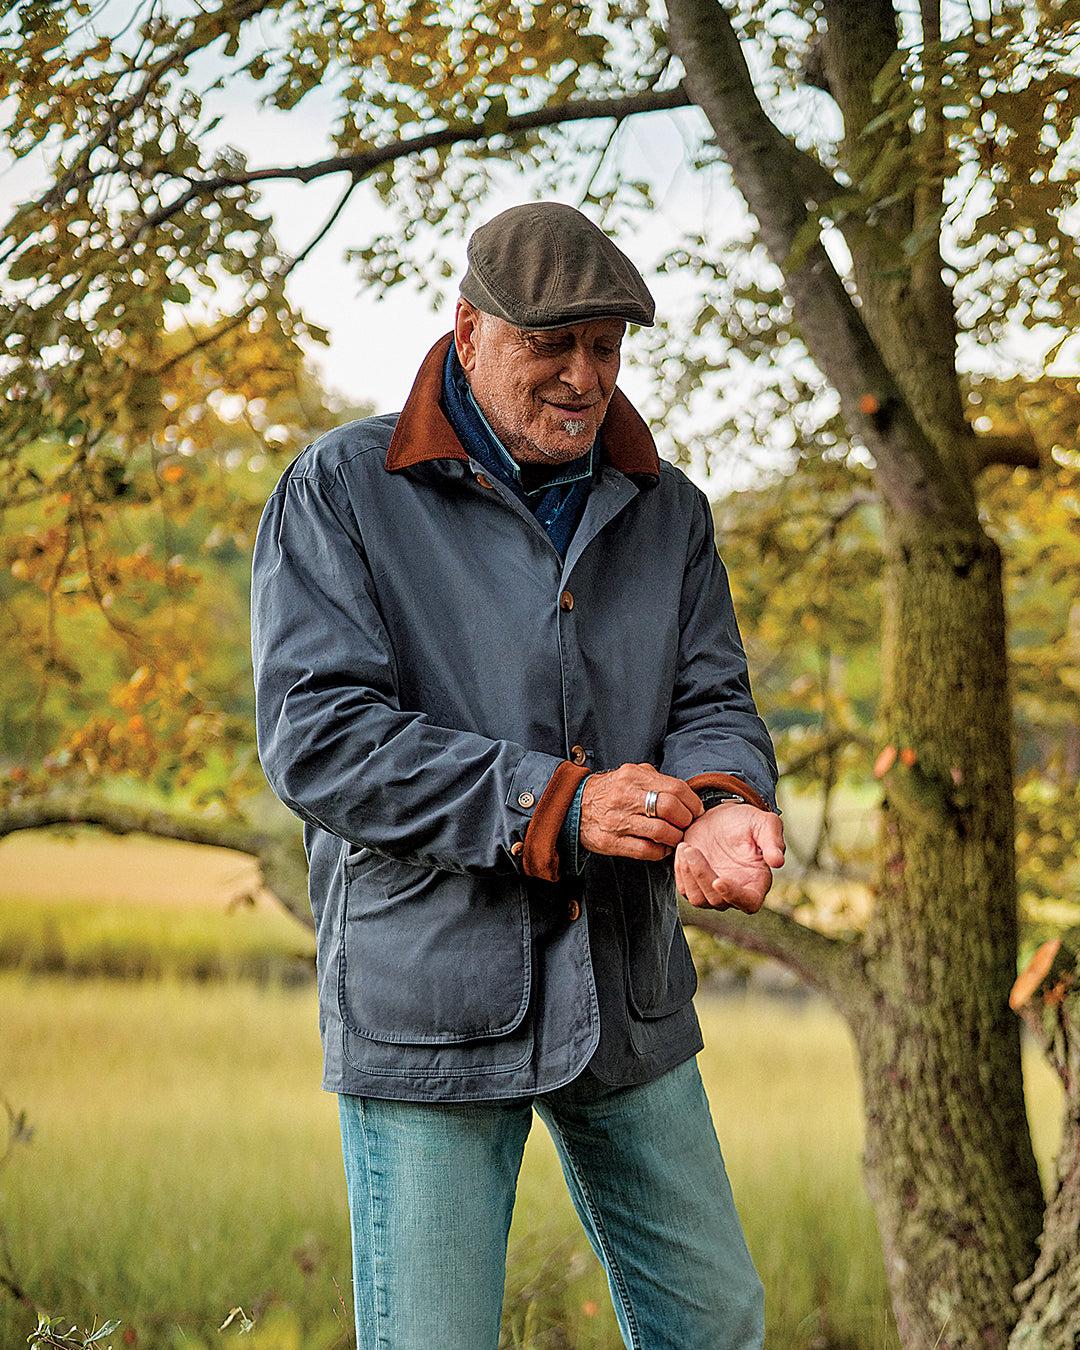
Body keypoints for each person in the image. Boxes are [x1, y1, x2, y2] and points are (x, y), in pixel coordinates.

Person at [250, 201, 786, 1350]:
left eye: (606, 347)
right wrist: (557, 804)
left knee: (718, 1322)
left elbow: (713, 703)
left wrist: (725, 809)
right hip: (429, 996)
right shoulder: (340, 487)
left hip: (627, 984)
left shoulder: (671, 511)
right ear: (469, 329)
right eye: (553, 344)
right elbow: (319, 736)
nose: (584, 378)